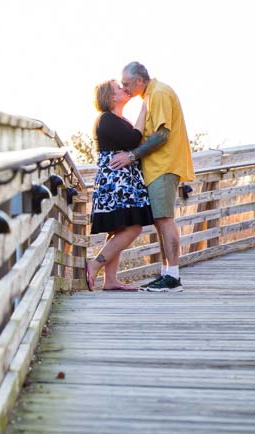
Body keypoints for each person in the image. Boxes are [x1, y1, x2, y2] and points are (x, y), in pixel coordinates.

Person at [110, 62, 194, 292]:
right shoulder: (150, 96)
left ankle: (173, 276)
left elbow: (162, 135)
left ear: (139, 80)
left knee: (165, 219)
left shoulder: (159, 94)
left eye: (127, 84)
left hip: (165, 166)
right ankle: (166, 273)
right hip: (156, 167)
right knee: (159, 220)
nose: (125, 89)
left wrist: (132, 156)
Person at [85, 79, 154, 292]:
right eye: (119, 88)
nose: (124, 89)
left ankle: (111, 280)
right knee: (133, 228)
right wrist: (144, 108)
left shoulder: (118, 118)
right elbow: (134, 139)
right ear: (111, 97)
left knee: (120, 228)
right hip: (116, 182)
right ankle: (94, 264)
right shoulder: (106, 119)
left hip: (123, 180)